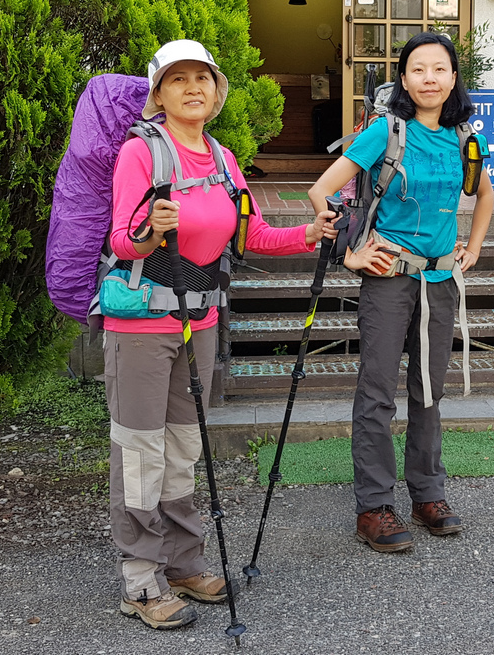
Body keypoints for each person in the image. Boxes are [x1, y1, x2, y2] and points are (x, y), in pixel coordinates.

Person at [106, 39, 336, 628]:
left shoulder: (225, 159)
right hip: (141, 323)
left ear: (217, 92)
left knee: (183, 447)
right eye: (178, 79)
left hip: (200, 321)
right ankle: (140, 579)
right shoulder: (141, 153)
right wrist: (151, 229)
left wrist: (306, 234)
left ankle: (183, 562)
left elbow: (250, 235)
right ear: (158, 93)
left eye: (203, 78)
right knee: (140, 451)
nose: (193, 88)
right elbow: (122, 243)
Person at [308, 32, 494, 553]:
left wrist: (473, 248)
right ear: (404, 79)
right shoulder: (385, 132)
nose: (429, 78)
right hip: (388, 279)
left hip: (439, 282)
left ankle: (427, 494)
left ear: (454, 79)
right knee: (376, 393)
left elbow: (484, 195)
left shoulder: (463, 139)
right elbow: (321, 190)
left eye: (439, 69)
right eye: (418, 69)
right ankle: (374, 506)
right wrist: (351, 253)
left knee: (429, 392)